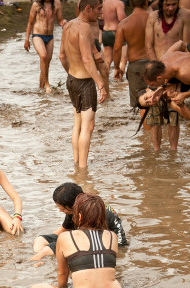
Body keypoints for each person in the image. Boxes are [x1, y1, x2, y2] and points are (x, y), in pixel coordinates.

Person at [32, 194, 125, 288]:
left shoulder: (65, 237)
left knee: (33, 287)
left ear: (79, 216)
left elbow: (62, 274)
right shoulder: (112, 236)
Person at [59, 0, 108, 169]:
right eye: (98, 9)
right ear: (88, 8)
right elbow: (87, 59)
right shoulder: (85, 28)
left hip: (71, 79)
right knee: (88, 126)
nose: (100, 13)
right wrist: (100, 84)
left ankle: (76, 162)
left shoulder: (67, 25)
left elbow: (62, 56)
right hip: (85, 82)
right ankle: (83, 169)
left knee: (77, 123)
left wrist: (70, 74)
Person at [31, 182, 127, 261]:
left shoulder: (94, 211)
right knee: (40, 240)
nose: (60, 211)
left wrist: (54, 247)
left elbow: (93, 237)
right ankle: (42, 261)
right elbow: (63, 230)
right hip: (85, 237)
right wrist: (49, 242)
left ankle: (37, 261)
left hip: (107, 242)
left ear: (73, 206)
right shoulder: (73, 209)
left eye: (62, 209)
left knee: (50, 248)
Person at [144, 0, 190, 151]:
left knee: (174, 117)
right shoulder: (152, 17)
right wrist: (156, 71)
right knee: (154, 116)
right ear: (161, 4)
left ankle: (173, 152)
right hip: (155, 74)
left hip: (175, 73)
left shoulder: (184, 15)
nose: (170, 8)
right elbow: (148, 45)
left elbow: (186, 45)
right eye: (167, 5)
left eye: (174, 4)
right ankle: (156, 151)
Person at [113, 0, 149, 110]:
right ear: (146, 2)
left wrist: (117, 67)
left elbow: (117, 48)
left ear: (130, 4)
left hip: (135, 65)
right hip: (154, 63)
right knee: (158, 100)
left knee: (140, 103)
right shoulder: (153, 19)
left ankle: (145, 127)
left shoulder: (124, 24)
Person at [24, 0, 65, 92]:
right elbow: (30, 22)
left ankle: (41, 89)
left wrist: (64, 23)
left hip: (50, 37)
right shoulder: (36, 4)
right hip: (37, 35)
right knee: (43, 56)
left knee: (46, 63)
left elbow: (60, 20)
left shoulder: (56, 3)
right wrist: (26, 39)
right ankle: (47, 84)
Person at [100, 0, 125, 81]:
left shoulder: (103, 2)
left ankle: (104, 80)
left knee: (107, 60)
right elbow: (122, 18)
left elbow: (102, 17)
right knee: (122, 59)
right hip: (115, 32)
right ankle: (119, 82)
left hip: (105, 32)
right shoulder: (118, 3)